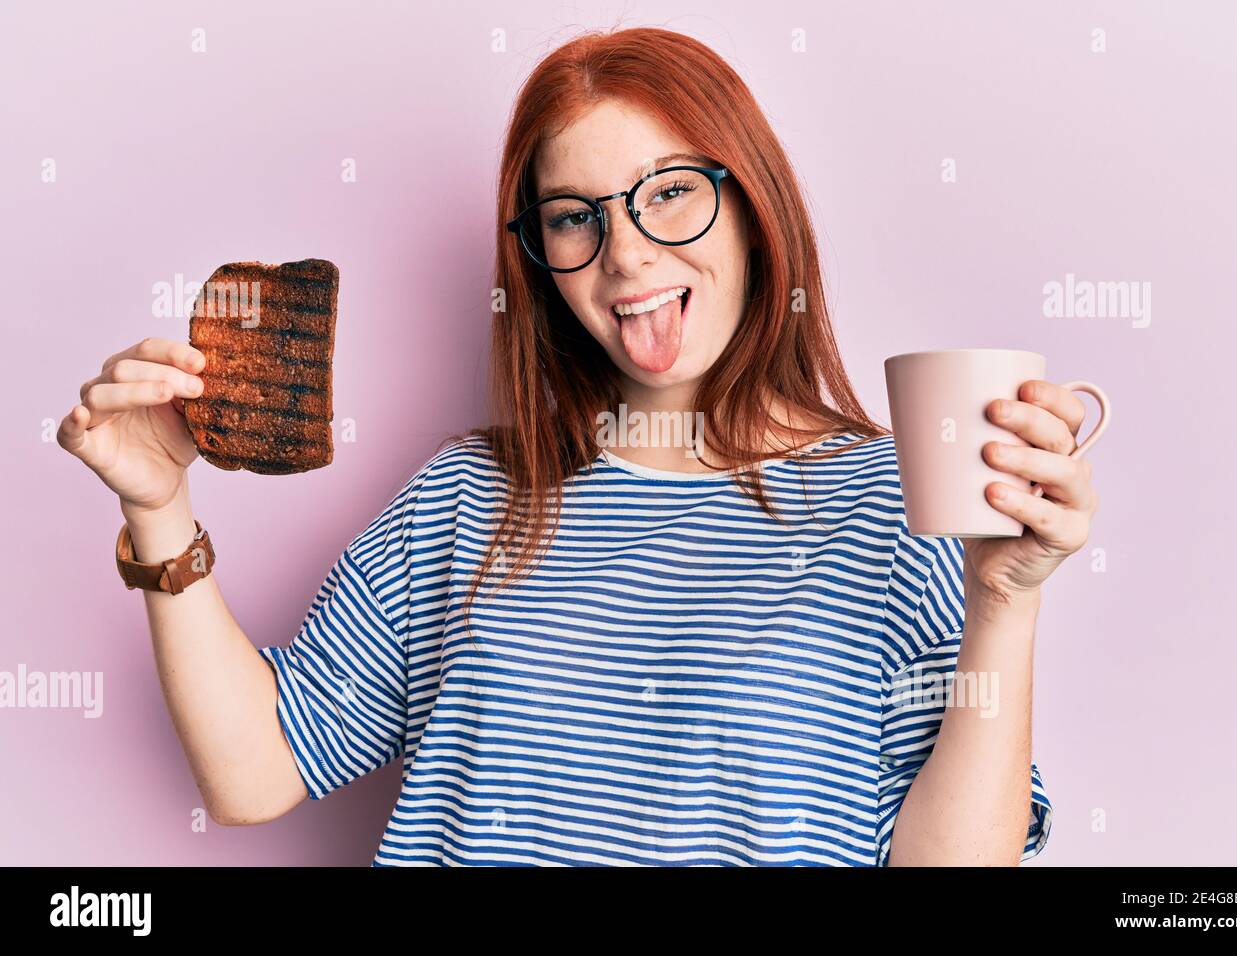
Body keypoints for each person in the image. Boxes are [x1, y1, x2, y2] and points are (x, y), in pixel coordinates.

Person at [58, 27, 1098, 866]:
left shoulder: (904, 505)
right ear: (541, 261)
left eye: (672, 191)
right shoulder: (469, 494)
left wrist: (1005, 599)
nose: (627, 251)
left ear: (753, 208)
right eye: (572, 217)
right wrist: (158, 507)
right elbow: (254, 772)